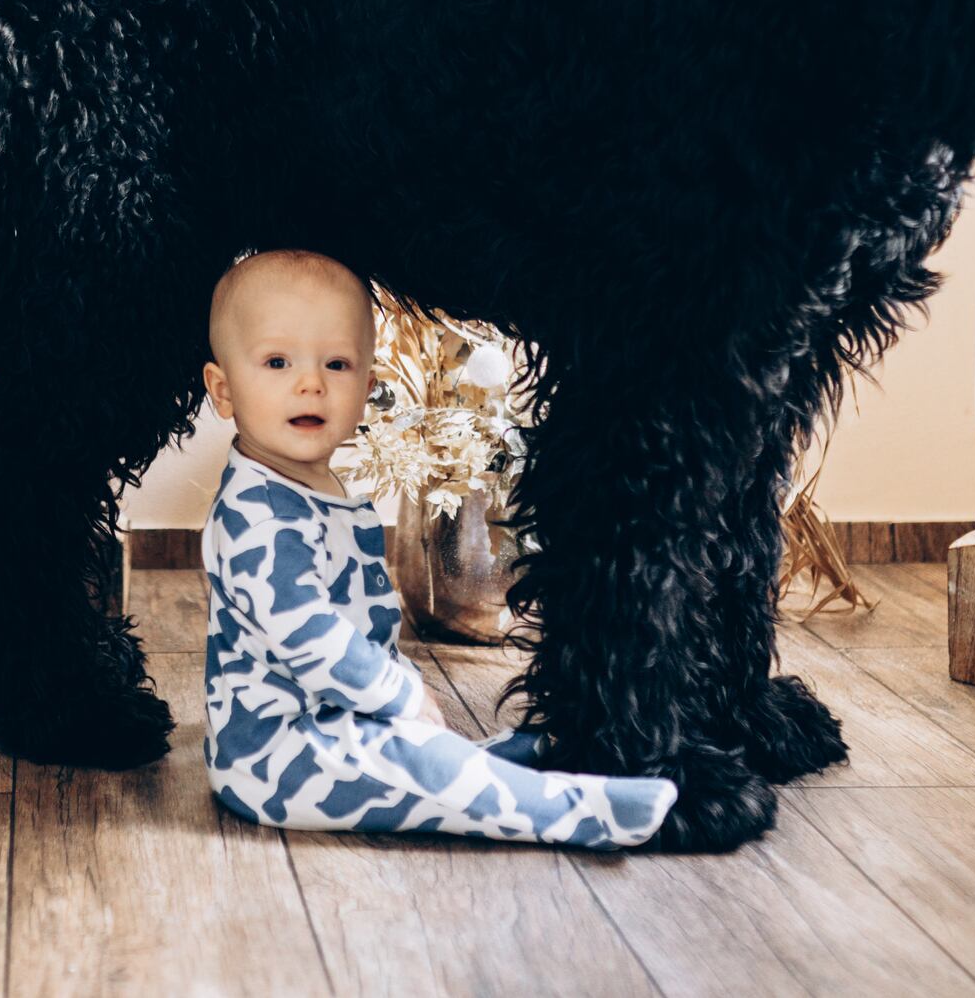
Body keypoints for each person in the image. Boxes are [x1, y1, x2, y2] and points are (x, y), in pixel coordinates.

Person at [197, 249, 678, 850]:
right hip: (276, 756)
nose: (310, 382)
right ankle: (583, 815)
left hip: (330, 724)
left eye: (337, 363)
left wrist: (395, 688)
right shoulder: (257, 513)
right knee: (418, 769)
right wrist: (397, 691)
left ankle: (505, 765)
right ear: (223, 390)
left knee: (419, 753)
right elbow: (305, 631)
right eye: (276, 361)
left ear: (367, 388)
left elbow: (356, 630)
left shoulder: (300, 486)